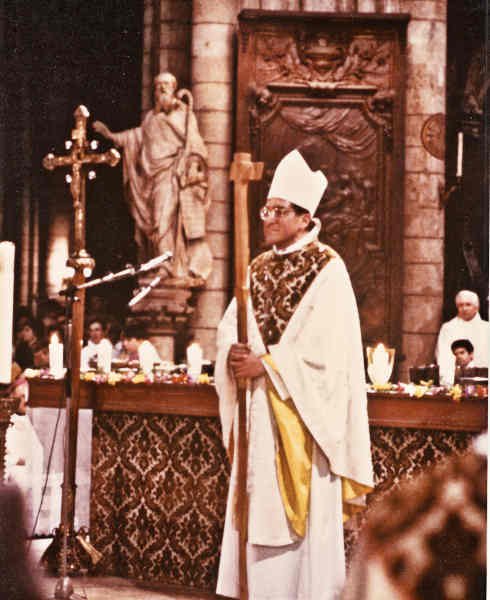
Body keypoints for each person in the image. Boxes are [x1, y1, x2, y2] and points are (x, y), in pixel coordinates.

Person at [215, 149, 374, 599]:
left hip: (302, 420)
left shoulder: (329, 269)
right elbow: (230, 325)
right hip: (258, 416)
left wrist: (265, 365)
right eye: (266, 209)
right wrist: (231, 354)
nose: (267, 218)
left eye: (279, 211)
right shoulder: (257, 267)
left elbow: (329, 354)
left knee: (300, 552)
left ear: (305, 218)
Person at [93, 71, 213, 283]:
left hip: (171, 175)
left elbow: (196, 145)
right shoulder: (151, 118)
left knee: (163, 219)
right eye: (158, 87)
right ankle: (161, 263)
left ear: (174, 89)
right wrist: (110, 135)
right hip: (153, 178)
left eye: (166, 86)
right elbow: (135, 137)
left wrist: (193, 165)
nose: (161, 90)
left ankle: (167, 265)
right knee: (156, 221)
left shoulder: (184, 115)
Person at [435, 290, 489, 385]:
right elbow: (443, 356)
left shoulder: (486, 328)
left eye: (468, 304)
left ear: (476, 307)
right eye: (460, 305)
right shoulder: (448, 328)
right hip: (454, 382)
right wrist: (450, 381)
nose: (464, 308)